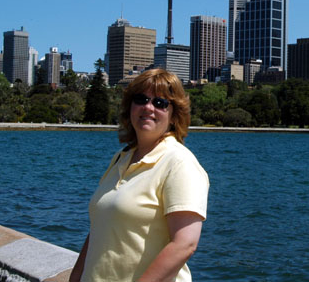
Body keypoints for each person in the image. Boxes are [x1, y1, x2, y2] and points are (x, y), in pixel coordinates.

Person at [70, 69, 209, 282]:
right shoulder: (121, 158)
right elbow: (100, 228)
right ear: (130, 107)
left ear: (174, 115)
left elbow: (185, 244)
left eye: (160, 103)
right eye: (141, 99)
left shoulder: (179, 163)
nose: (148, 107)